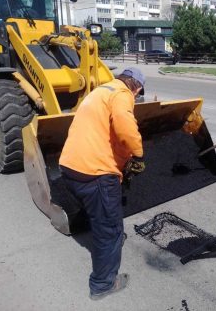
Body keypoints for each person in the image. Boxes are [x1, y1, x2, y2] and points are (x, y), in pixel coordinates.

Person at [59, 67, 146, 300]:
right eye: (138, 93)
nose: (136, 97)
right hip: (96, 172)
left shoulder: (99, 92)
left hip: (70, 167)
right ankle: (102, 284)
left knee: (97, 215)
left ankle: (104, 239)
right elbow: (125, 126)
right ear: (135, 86)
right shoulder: (122, 94)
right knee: (110, 228)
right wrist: (137, 154)